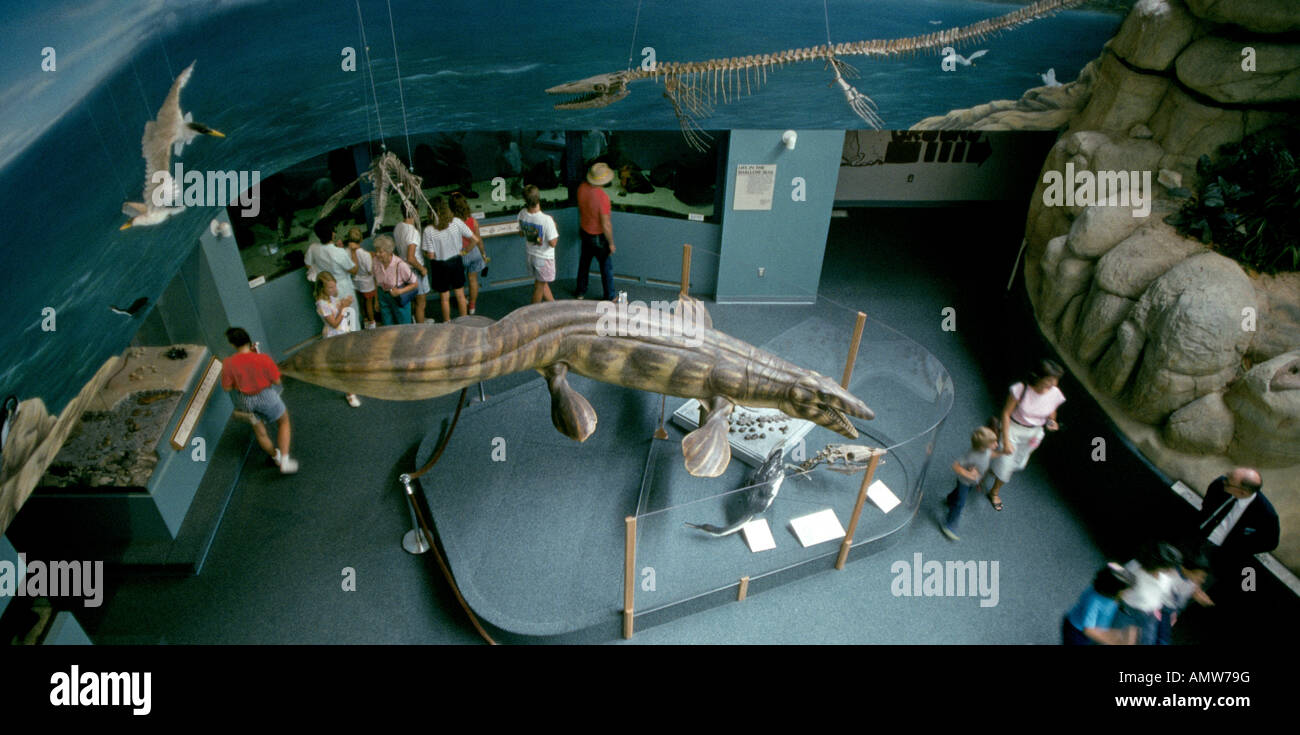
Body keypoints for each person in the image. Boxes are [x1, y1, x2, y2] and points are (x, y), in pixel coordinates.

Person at [987, 359, 1065, 511]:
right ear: (1038, 377)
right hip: (1014, 428)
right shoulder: (1021, 389)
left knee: (1019, 462)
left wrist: (1052, 422)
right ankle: (994, 491)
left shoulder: (1055, 392)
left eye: (1055, 379)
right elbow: (1006, 412)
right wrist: (1007, 439)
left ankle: (994, 465)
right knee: (1006, 465)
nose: (1054, 383)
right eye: (1050, 379)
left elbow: (1052, 411)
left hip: (1034, 432)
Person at [1191, 467, 1280, 598]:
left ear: (1242, 492)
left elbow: (1270, 543)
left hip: (1218, 555)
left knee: (1193, 590)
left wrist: (1238, 548)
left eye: (1228, 482)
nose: (1223, 481)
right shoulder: (1219, 485)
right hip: (1196, 537)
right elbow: (1207, 506)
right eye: (1227, 477)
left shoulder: (1266, 514)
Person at [220, 327, 297, 474]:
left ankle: (276, 457)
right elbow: (276, 381)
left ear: (232, 345)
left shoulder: (228, 363)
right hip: (267, 397)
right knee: (284, 421)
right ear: (249, 341)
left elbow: (227, 388)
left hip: (246, 402)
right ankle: (285, 461)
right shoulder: (263, 359)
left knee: (260, 432)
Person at [421, 195, 481, 322]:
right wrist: (464, 251)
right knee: (460, 294)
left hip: (440, 265)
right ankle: (465, 321)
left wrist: (425, 254)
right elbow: (475, 240)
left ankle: (447, 322)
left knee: (444, 297)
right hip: (456, 261)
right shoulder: (456, 222)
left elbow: (430, 255)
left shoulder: (428, 230)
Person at [1117, 541, 1182, 645]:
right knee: (1118, 640)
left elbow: (1164, 594)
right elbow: (1118, 589)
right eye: (1170, 567)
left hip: (1149, 615)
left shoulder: (1166, 577)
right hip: (1128, 612)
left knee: (1148, 641)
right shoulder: (1134, 569)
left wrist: (1170, 610)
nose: (1173, 570)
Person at [940, 426, 998, 541]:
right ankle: (949, 525)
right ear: (983, 446)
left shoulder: (987, 450)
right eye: (993, 443)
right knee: (960, 503)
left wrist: (1004, 452)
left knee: (957, 494)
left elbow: (990, 455)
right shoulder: (971, 455)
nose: (996, 445)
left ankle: (950, 499)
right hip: (965, 482)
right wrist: (970, 475)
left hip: (973, 481)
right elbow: (955, 466)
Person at [313, 272, 361, 408]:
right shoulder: (321, 304)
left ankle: (351, 384)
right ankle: (349, 393)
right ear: (322, 288)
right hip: (335, 336)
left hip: (343, 332)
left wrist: (344, 302)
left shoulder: (331, 298)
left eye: (334, 286)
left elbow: (339, 309)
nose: (334, 290)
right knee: (343, 366)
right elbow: (334, 323)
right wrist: (344, 307)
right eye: (330, 288)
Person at [1062, 563, 1139, 645]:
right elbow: (1088, 629)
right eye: (1125, 591)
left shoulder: (1110, 594)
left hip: (1089, 630)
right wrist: (1116, 641)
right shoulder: (1094, 601)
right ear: (1114, 589)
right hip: (1076, 632)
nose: (1127, 594)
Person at [574, 162, 616, 301]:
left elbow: (581, 210)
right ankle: (610, 297)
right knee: (606, 268)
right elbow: (606, 225)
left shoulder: (581, 188)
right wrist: (610, 243)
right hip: (598, 238)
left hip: (584, 232)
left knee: (584, 263)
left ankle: (580, 292)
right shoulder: (603, 198)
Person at [308, 221, 359, 332]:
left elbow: (309, 264)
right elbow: (354, 270)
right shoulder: (339, 252)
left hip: (327, 290)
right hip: (343, 288)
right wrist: (353, 252)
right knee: (351, 319)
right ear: (332, 234)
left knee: (336, 320)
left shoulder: (314, 248)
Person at [1157, 551, 1214, 645]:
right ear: (1193, 569)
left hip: (1172, 613)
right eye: (1202, 576)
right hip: (1162, 609)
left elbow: (1200, 595)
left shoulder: (1193, 583)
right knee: (1162, 640)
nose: (1202, 580)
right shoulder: (1172, 572)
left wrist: (1208, 602)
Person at [518, 185, 559, 304]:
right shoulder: (547, 220)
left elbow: (521, 233)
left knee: (541, 282)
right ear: (538, 198)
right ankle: (531, 315)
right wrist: (554, 226)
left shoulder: (522, 214)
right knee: (539, 287)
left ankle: (554, 306)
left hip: (531, 256)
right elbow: (553, 243)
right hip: (544, 259)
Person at [451, 192, 489, 315]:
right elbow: (479, 241)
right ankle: (472, 306)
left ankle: (463, 307)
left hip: (460, 256)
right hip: (474, 254)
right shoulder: (473, 221)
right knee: (473, 280)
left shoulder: (452, 223)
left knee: (460, 284)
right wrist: (483, 254)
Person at [372, 234, 419, 325]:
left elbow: (415, 284)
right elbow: (375, 281)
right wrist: (376, 300)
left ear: (389, 251)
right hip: (383, 295)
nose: (377, 254)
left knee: (404, 327)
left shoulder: (400, 265)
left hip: (398, 297)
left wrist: (400, 291)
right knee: (387, 326)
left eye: (380, 252)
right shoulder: (375, 261)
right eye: (376, 251)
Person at [393, 207, 428, 323]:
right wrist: (422, 269)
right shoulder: (413, 232)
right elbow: (411, 258)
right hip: (414, 271)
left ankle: (414, 321)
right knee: (420, 303)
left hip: (403, 270)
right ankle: (421, 330)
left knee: (411, 299)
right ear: (415, 213)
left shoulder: (398, 227)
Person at [344, 227, 376, 329]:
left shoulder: (346, 252)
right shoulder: (365, 255)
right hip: (367, 283)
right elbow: (370, 270)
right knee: (369, 303)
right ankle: (372, 324)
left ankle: (365, 321)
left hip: (355, 282)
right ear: (361, 239)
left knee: (361, 302)